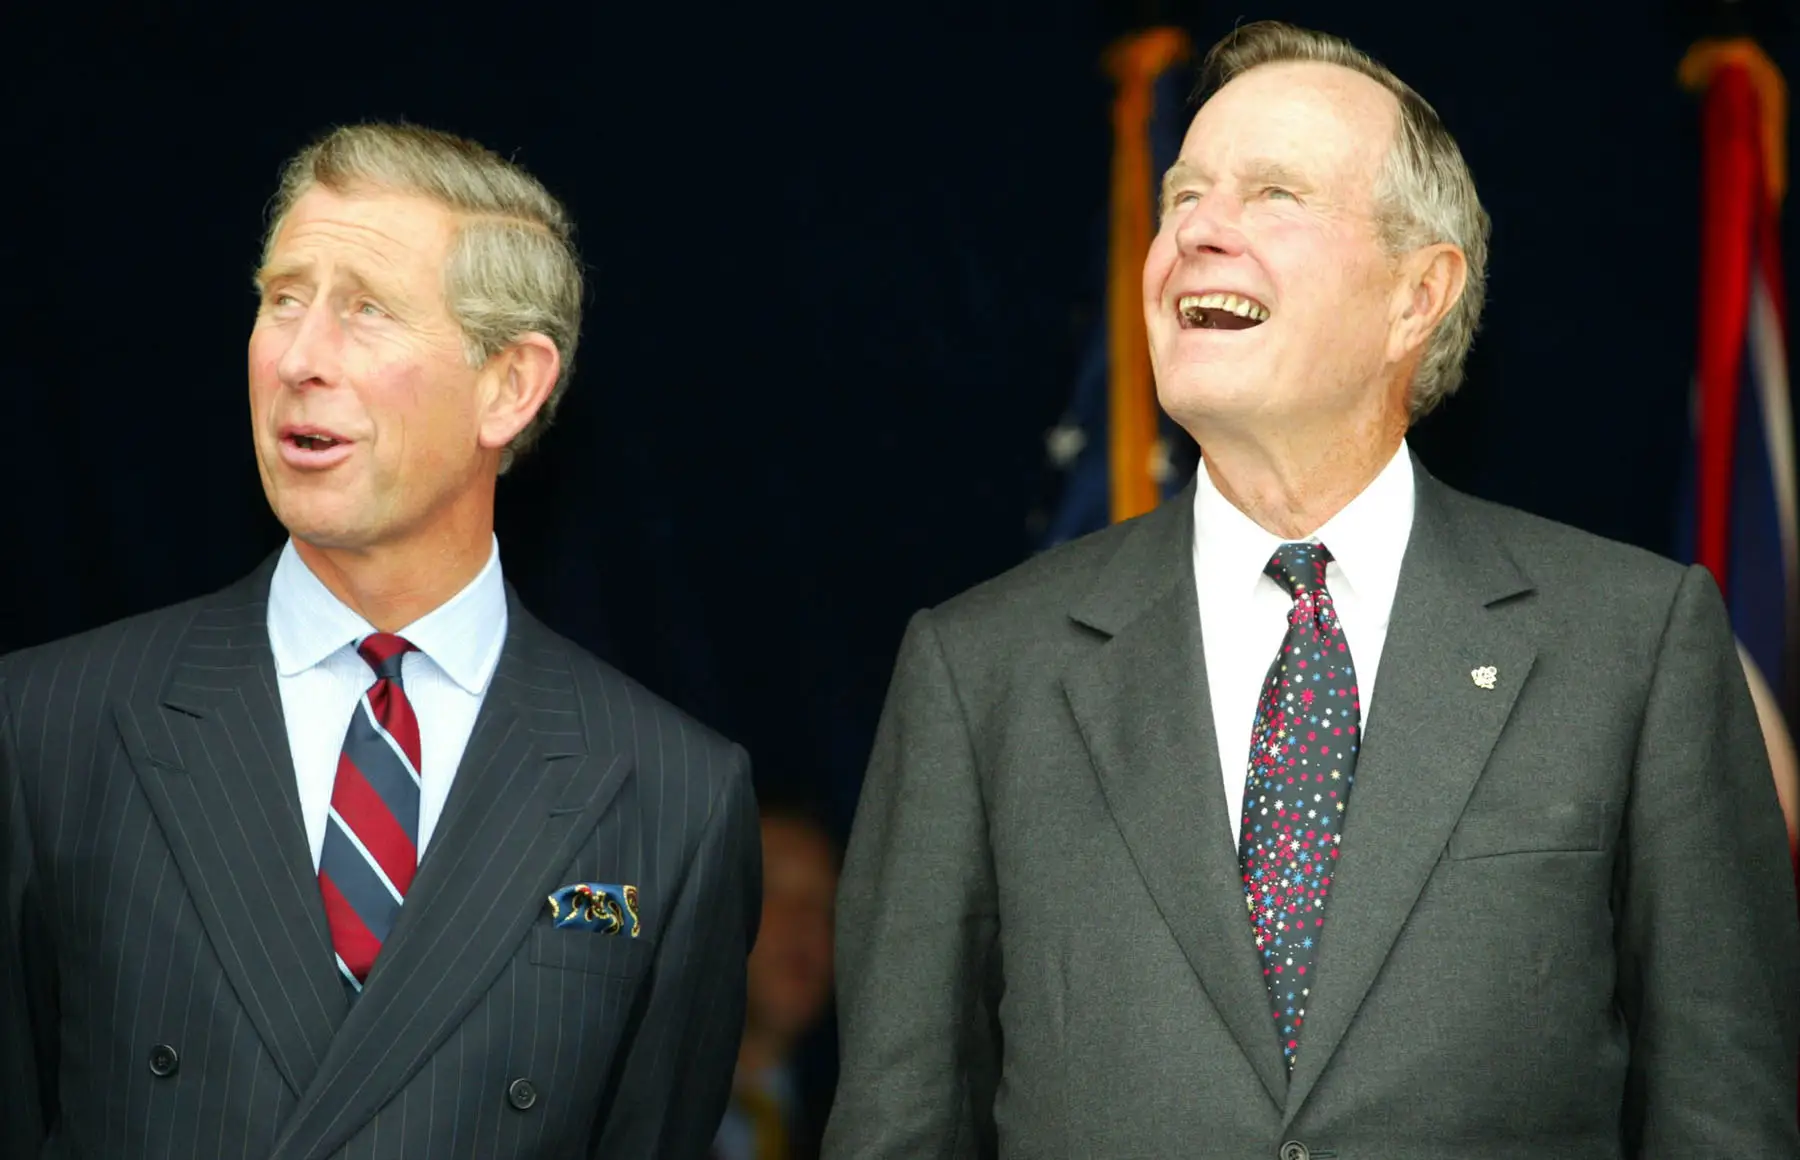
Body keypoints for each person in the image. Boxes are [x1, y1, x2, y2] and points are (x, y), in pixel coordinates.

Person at [823, 21, 1800, 1159]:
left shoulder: (1632, 647)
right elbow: (899, 1125)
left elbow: (1724, 1122)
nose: (1196, 231)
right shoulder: (981, 671)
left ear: (1417, 295)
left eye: (1273, 194)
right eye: (1184, 196)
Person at [0, 122, 760, 1159]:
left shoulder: (672, 797)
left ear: (510, 386)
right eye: (283, 298)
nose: (300, 357)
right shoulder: (51, 727)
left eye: (366, 309)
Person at [713, 803, 840, 1160]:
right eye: (771, 890)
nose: (805, 921)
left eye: (826, 905)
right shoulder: (615, 1112)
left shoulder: (859, 1128)